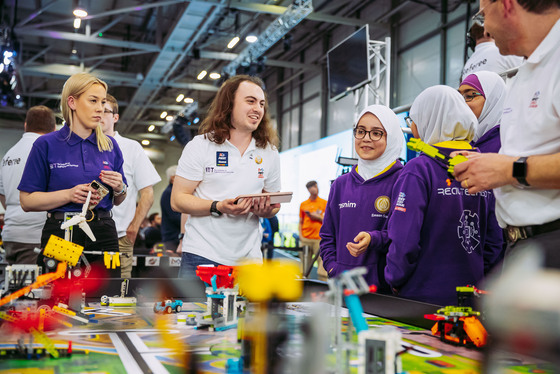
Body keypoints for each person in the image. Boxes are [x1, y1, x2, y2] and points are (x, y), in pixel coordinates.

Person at [453, 0, 560, 268]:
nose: (485, 27)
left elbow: (514, 167)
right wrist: (487, 165)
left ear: (506, 6)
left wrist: (510, 170)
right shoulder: (525, 72)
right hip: (523, 245)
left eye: (483, 15)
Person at [385, 86, 503, 305]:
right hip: (472, 298)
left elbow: (404, 240)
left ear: (430, 118)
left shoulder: (418, 170)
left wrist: (394, 278)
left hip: (421, 299)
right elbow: (494, 241)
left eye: (414, 119)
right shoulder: (484, 165)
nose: (412, 127)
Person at [171, 75, 281, 278]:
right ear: (229, 104)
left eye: (262, 103)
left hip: (249, 261)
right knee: (193, 311)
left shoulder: (269, 152)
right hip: (201, 255)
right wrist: (217, 206)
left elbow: (273, 204)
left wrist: (266, 210)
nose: (258, 108)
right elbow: (178, 200)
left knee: (248, 312)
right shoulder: (200, 145)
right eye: (250, 101)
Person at [18, 73, 127, 276]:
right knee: (57, 298)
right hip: (62, 231)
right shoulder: (46, 145)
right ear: (72, 102)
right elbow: (27, 201)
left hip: (103, 232)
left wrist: (120, 188)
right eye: (93, 100)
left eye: (103, 101)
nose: (100, 108)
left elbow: (119, 199)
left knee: (106, 299)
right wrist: (68, 195)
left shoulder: (110, 146)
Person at [320, 105, 404, 290]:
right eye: (361, 131)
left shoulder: (403, 180)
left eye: (376, 133)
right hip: (342, 287)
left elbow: (404, 236)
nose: (366, 138)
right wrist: (333, 267)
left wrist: (373, 239)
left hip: (383, 291)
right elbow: (327, 236)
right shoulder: (341, 184)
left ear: (391, 137)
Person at [101, 94, 161, 278]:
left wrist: (134, 227)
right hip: (85, 235)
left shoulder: (131, 148)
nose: (100, 115)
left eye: (105, 111)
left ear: (115, 117)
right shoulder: (82, 147)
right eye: (96, 110)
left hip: (120, 235)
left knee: (119, 293)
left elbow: (148, 193)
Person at [0, 106, 56, 264]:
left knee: (11, 287)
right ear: (53, 129)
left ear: (26, 125)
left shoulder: (9, 155)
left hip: (10, 234)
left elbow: (3, 194)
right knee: (32, 288)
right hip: (35, 236)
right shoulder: (46, 151)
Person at [458, 71, 507, 153]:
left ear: (492, 99)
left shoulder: (509, 140)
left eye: (469, 96)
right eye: (459, 97)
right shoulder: (462, 138)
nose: (462, 103)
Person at [299, 181, 327, 280]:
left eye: (315, 186)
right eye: (311, 187)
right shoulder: (303, 204)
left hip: (319, 239)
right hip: (306, 239)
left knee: (322, 267)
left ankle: (323, 287)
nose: (314, 189)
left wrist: (318, 217)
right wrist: (301, 237)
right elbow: (301, 222)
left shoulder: (324, 203)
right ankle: (303, 288)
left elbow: (328, 221)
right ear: (308, 190)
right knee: (304, 268)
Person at [160, 165, 182, 252]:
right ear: (173, 178)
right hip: (172, 239)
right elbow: (175, 217)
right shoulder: (169, 193)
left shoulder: (173, 192)